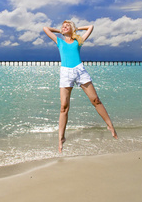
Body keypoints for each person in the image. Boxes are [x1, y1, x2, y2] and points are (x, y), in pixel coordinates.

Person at [43, 21, 118, 153]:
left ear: (72, 29)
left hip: (80, 70)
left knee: (95, 100)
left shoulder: (79, 41)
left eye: (67, 26)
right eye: (63, 26)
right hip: (66, 72)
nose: (64, 27)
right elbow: (45, 28)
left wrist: (76, 29)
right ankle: (61, 138)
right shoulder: (59, 41)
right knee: (64, 107)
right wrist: (59, 31)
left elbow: (91, 27)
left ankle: (110, 126)